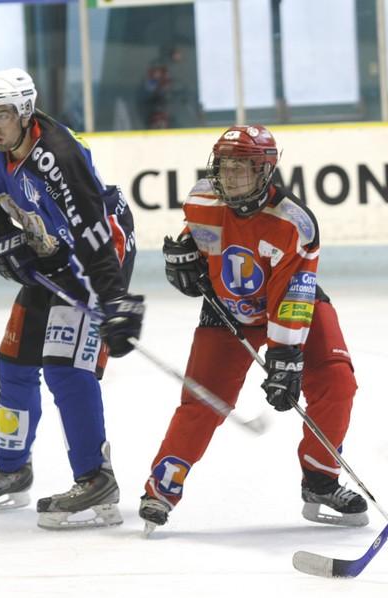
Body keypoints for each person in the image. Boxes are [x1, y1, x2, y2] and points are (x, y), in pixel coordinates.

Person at [137, 124, 367, 532]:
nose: (231, 176)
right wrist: (185, 259)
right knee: (202, 401)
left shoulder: (294, 222)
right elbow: (202, 240)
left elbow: (293, 294)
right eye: (226, 166)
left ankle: (321, 479)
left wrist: (285, 358)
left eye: (243, 167)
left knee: (336, 381)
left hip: (290, 305)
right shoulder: (202, 199)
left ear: (266, 171)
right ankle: (161, 489)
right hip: (226, 312)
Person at [0, 68, 145, 530]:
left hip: (97, 253)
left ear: (23, 111)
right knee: (15, 363)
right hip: (51, 249)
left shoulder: (58, 155)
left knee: (66, 367)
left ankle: (96, 479)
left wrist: (114, 298)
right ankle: (12, 469)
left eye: (2, 114)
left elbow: (94, 232)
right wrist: (3, 237)